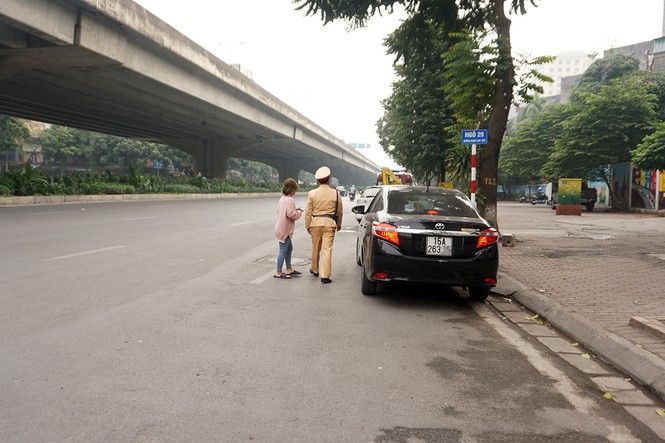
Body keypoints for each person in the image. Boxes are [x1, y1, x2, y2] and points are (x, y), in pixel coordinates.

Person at [305, 166, 343, 284]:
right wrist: (339, 224)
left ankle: (315, 270)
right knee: (327, 250)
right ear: (329, 179)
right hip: (330, 224)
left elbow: (308, 212)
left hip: (315, 223)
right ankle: (325, 276)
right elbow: (339, 211)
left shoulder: (312, 193)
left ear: (317, 180)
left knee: (315, 247)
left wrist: (308, 225)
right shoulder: (336, 193)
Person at [274, 178, 303, 279]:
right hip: (285, 229)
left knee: (289, 248)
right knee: (283, 250)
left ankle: (289, 268)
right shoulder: (290, 200)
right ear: (292, 189)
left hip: (281, 227)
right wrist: (299, 212)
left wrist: (295, 210)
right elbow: (292, 215)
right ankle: (278, 272)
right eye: (295, 189)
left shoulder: (283, 198)